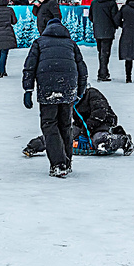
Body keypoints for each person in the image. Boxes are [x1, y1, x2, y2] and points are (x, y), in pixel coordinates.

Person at [22, 18, 88, 178]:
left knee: (49, 125)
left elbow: (29, 67)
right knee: (65, 126)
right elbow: (82, 69)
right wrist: (80, 91)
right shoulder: (71, 44)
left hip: (47, 88)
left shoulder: (39, 43)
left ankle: (58, 164)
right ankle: (67, 162)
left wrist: (28, 90)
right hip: (68, 88)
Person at [23, 86, 133, 157]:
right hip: (82, 126)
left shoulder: (92, 93)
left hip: (103, 123)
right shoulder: (69, 102)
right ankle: (34, 146)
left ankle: (123, 140)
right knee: (63, 134)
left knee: (100, 142)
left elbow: (100, 112)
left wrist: (87, 127)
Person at [88, 0, 121, 82]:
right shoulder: (112, 3)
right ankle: (102, 74)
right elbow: (115, 18)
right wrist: (117, 25)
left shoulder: (94, 3)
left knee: (101, 52)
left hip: (97, 31)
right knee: (105, 53)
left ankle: (103, 72)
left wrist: (97, 23)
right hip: (108, 31)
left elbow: (91, 17)